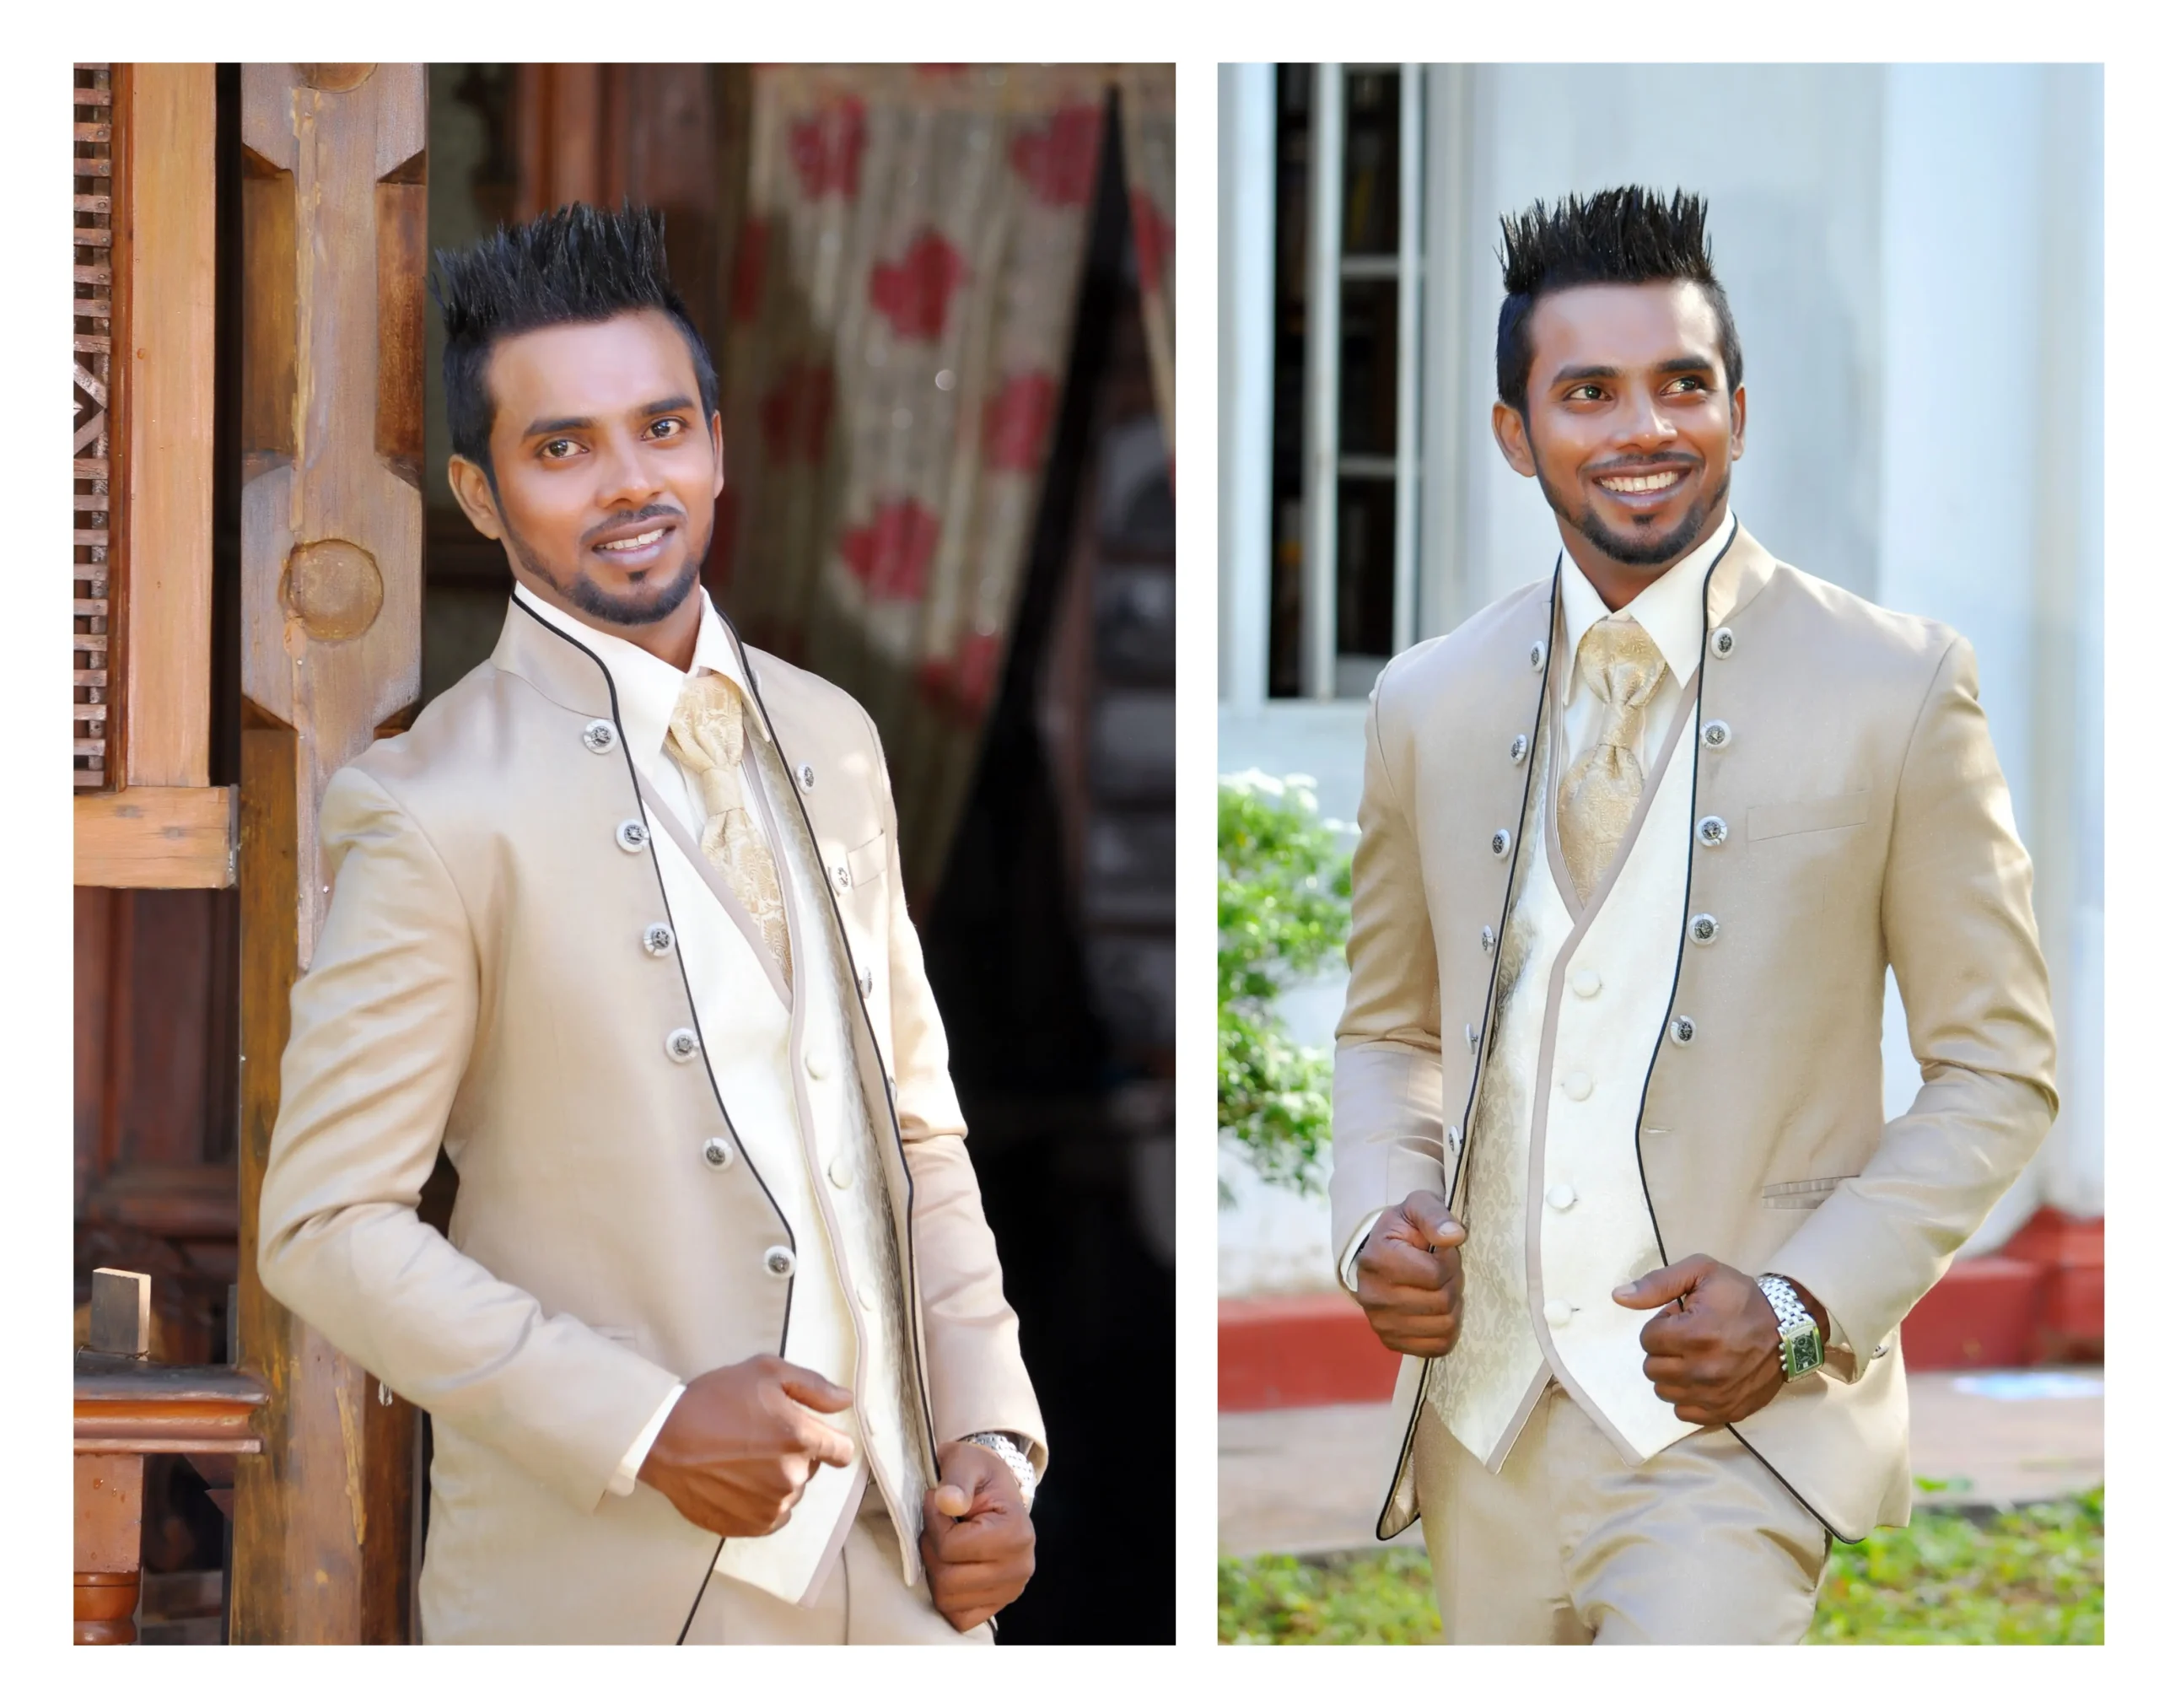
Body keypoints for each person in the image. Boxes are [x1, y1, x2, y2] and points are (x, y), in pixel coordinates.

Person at [256, 204, 1043, 1645]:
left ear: (720, 445)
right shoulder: (432, 803)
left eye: (662, 427)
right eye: (561, 448)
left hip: (910, 1584)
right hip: (609, 1601)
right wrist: (647, 1425)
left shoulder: (835, 737)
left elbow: (915, 1136)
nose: (631, 482)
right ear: (479, 496)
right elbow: (325, 1225)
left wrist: (988, 1440)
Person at [1330, 186, 2055, 1644]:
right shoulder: (1426, 699)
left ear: (1739, 408)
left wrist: (1800, 1308)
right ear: (1514, 433)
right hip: (1487, 1427)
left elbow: (1999, 1067)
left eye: (1682, 384)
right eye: (1586, 392)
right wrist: (1369, 1227)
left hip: (1731, 1434)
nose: (1643, 428)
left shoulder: (1899, 687)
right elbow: (1389, 1031)